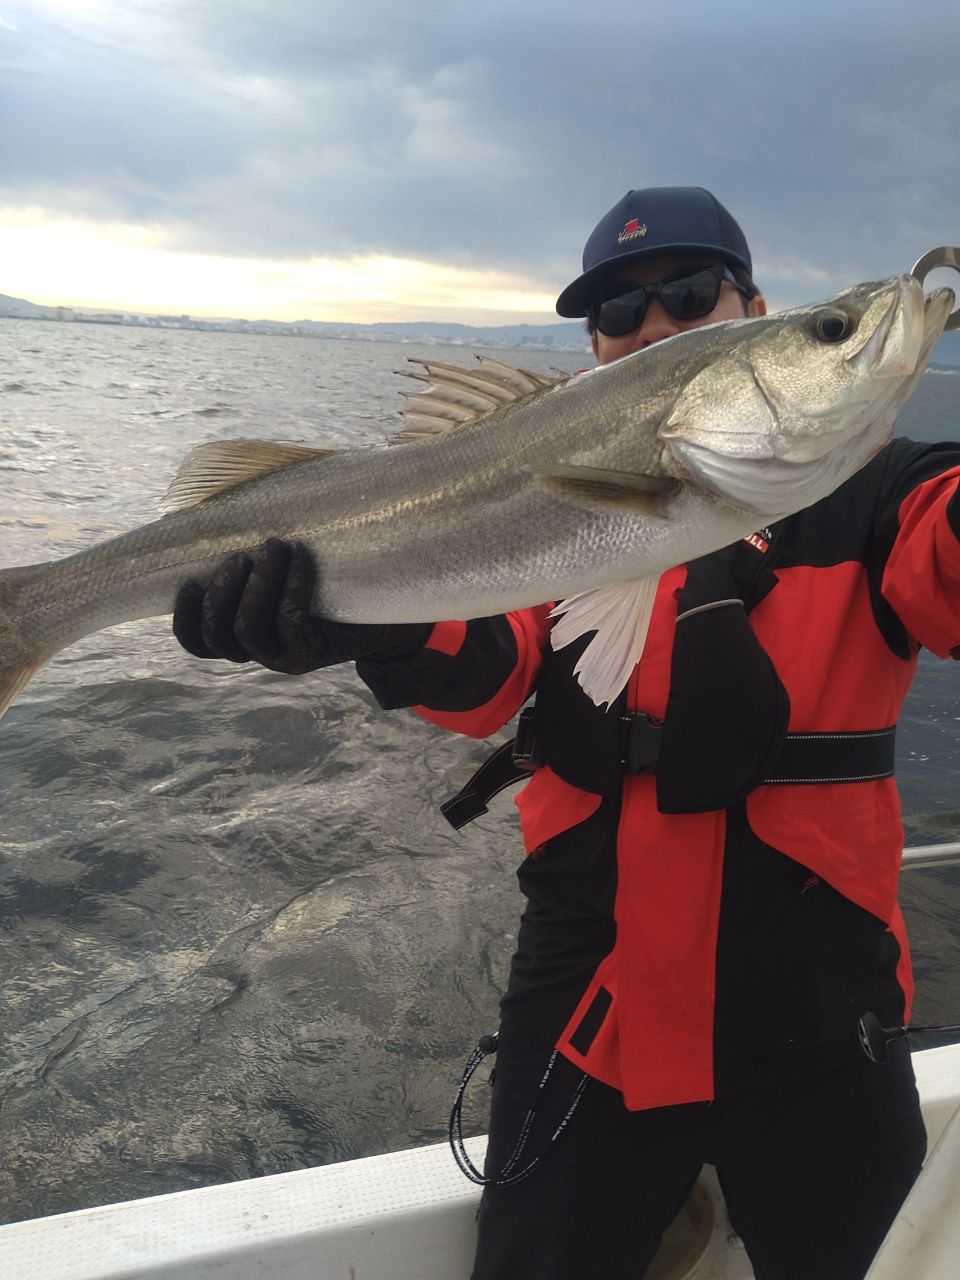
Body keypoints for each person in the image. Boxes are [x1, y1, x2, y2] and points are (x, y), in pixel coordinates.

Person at [172, 186, 960, 1280]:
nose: (653, 324)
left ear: (750, 307)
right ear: (593, 350)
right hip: (596, 1002)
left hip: (827, 1014)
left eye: (688, 293)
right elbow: (486, 669)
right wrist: (352, 624)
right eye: (617, 314)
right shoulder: (547, 498)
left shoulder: (883, 492)